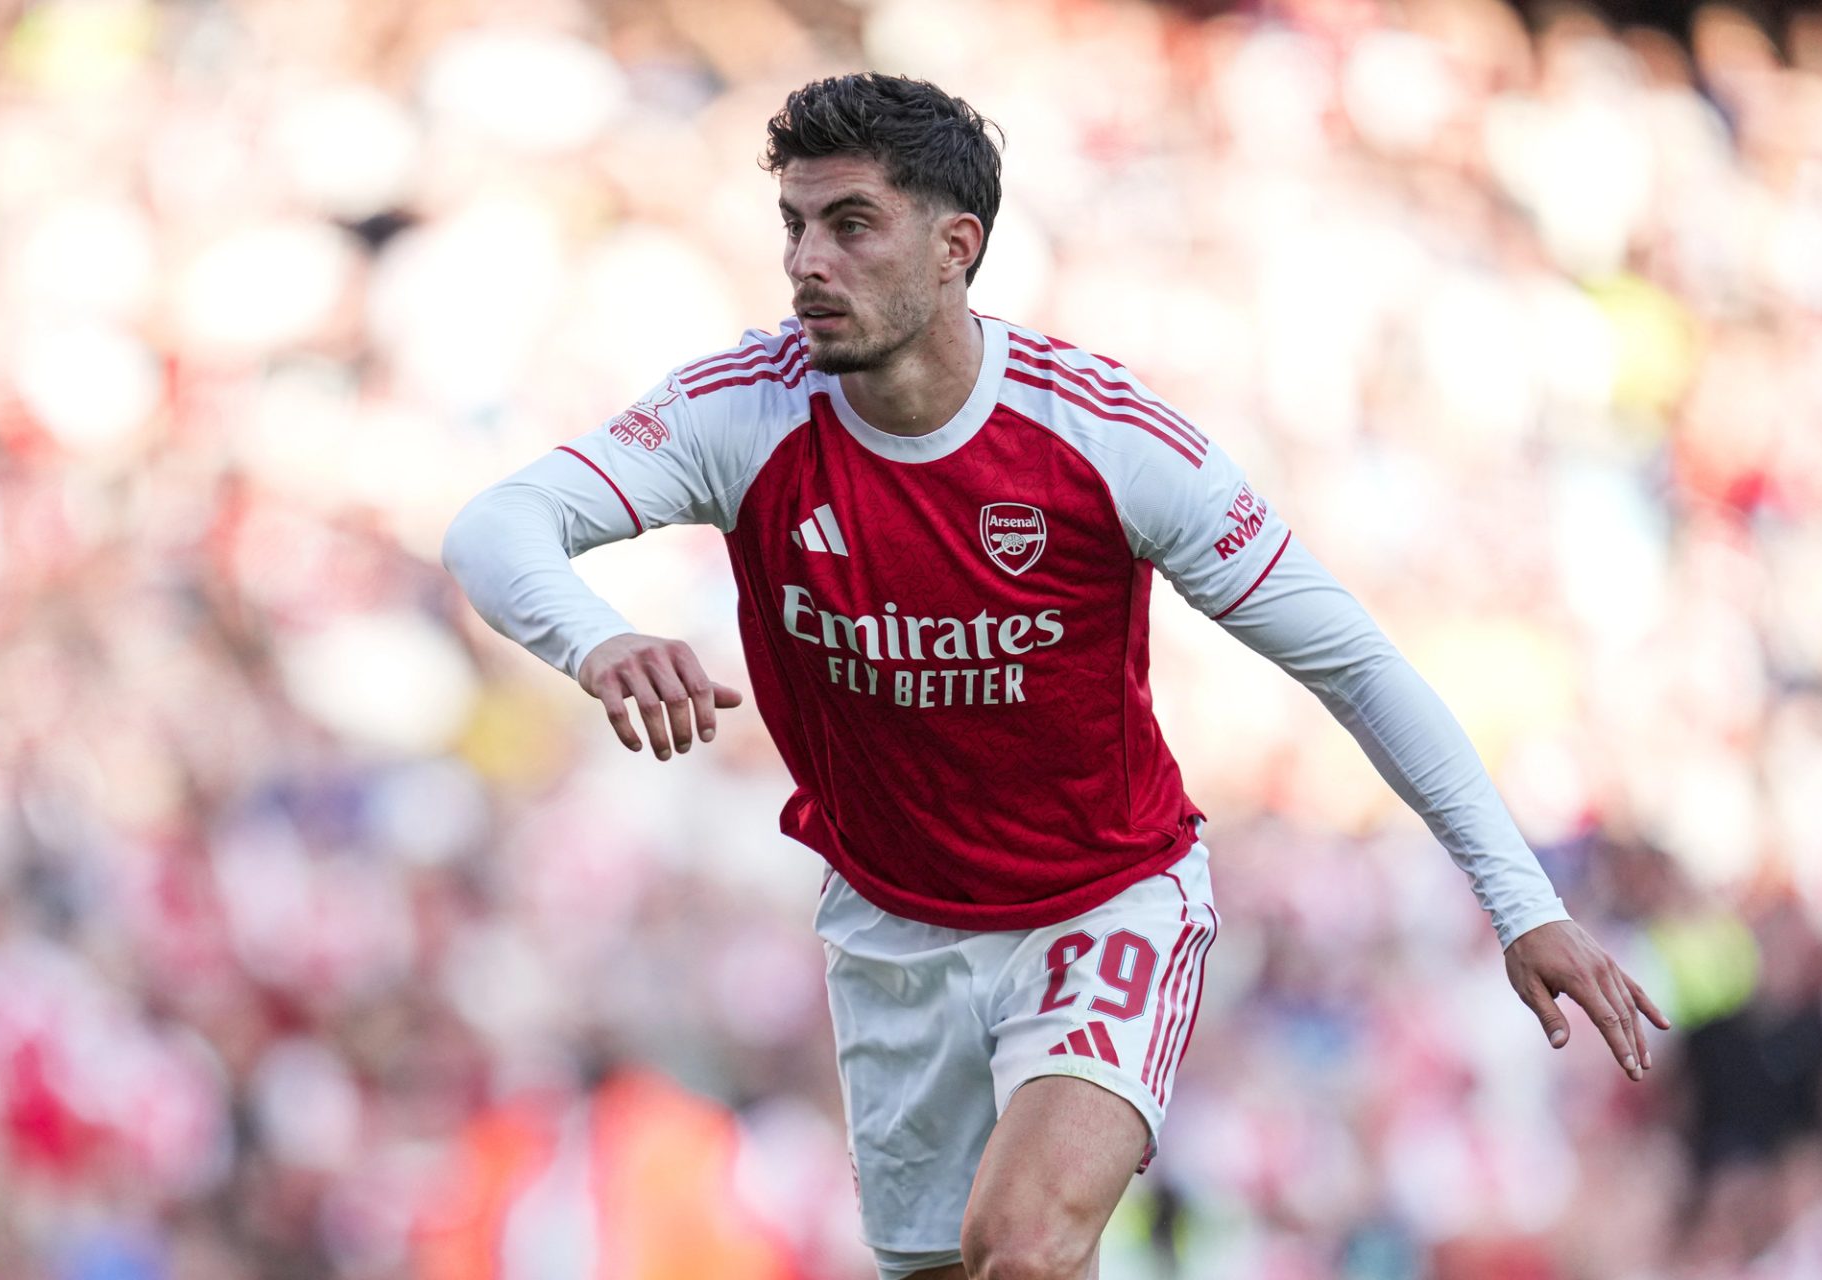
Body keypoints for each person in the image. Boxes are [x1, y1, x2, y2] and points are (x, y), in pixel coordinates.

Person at [442, 72, 1669, 1280]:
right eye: (795, 226)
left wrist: (1525, 905)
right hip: (892, 928)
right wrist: (594, 637)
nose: (807, 261)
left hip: (1102, 898)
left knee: (1023, 1247)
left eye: (851, 223)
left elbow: (1350, 659)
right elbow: (497, 526)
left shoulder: (1105, 440)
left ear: (954, 245)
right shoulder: (740, 415)